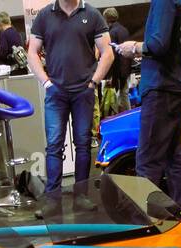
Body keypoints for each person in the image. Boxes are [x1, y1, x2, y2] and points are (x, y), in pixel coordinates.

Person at [27, 0, 115, 195]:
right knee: (54, 145)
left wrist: (93, 82)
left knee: (83, 144)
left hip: (83, 91)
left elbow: (108, 53)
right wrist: (46, 82)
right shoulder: (44, 15)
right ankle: (52, 199)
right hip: (55, 92)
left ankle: (81, 195)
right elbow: (32, 52)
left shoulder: (92, 14)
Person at [119, 0, 181, 206]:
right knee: (172, 157)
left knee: (148, 161)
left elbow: (158, 44)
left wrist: (133, 47)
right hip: (177, 83)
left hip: (162, 86)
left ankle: (144, 223)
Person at [105, 7, 130, 110]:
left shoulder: (112, 33)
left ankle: (123, 117)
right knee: (124, 94)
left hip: (118, 70)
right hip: (127, 68)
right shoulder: (124, 30)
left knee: (120, 97)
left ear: (106, 19)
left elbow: (112, 56)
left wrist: (110, 76)